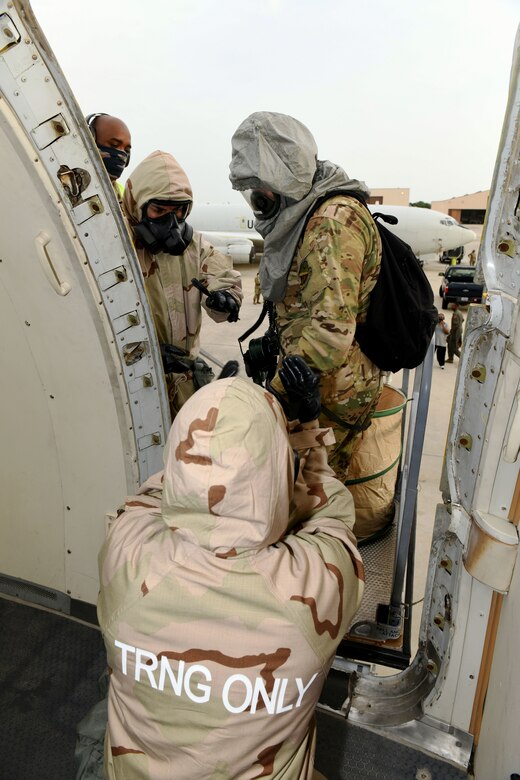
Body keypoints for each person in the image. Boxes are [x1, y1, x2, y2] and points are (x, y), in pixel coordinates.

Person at [98, 356, 364, 780]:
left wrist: (206, 438)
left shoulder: (126, 556)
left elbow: (153, 497)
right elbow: (329, 509)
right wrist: (304, 428)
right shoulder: (316, 584)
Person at [229, 111, 384, 481]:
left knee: (316, 496)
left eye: (261, 187)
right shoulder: (307, 211)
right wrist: (274, 344)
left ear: (285, 174)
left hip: (332, 393)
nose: (258, 200)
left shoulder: (329, 222)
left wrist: (271, 399)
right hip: (315, 382)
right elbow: (306, 303)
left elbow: (330, 333)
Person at [122, 150, 242, 421]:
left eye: (179, 211)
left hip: (185, 388)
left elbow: (223, 276)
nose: (171, 223)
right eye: (158, 210)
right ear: (137, 204)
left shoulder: (196, 248)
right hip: (135, 385)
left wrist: (226, 297)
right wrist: (146, 353)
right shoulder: (115, 247)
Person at [86, 113, 131, 198]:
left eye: (127, 150)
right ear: (90, 140)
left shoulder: (124, 199)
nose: (122, 156)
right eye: (114, 144)